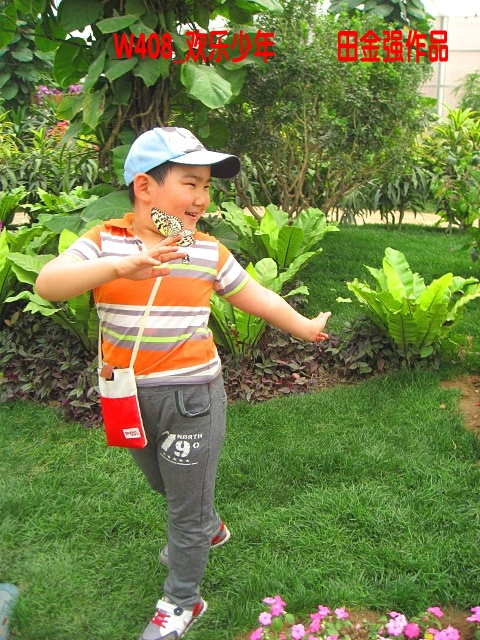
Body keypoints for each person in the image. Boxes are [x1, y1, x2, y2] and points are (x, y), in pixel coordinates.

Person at [35, 126, 331, 640]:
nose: (201, 198)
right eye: (190, 183)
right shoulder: (104, 241)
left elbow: (256, 296)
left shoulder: (206, 251)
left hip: (193, 396)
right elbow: (49, 284)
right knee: (163, 484)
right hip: (126, 395)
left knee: (183, 508)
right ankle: (208, 524)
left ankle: (182, 601)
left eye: (206, 187)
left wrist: (304, 327)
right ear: (144, 187)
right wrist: (120, 267)